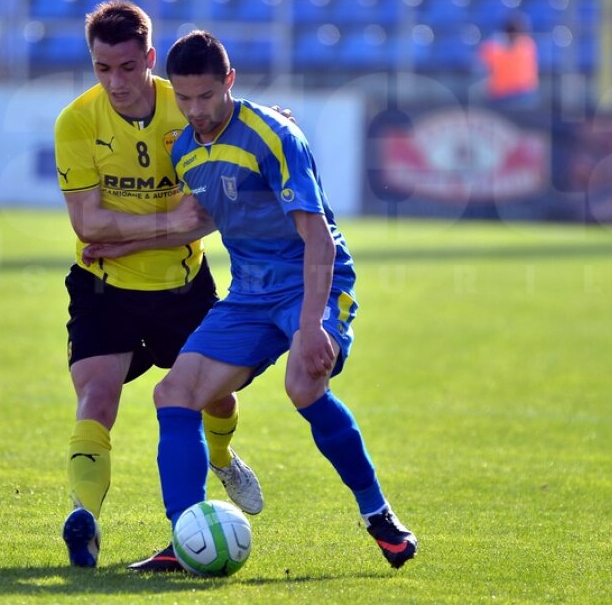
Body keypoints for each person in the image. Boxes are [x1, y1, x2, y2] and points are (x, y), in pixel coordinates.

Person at [92, 30, 417, 572]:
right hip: (249, 295)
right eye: (185, 98)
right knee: (173, 394)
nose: (195, 110)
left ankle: (378, 515)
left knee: (303, 384)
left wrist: (311, 326)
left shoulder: (274, 134)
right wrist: (123, 242)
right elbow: (200, 220)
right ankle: (184, 534)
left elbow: (316, 237)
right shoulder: (186, 149)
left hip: (313, 285)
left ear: (229, 83)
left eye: (206, 97)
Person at [53, 1, 263, 569]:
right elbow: (87, 224)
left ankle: (222, 455)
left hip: (180, 286)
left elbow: (205, 215)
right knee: (96, 399)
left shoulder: (189, 105)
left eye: (126, 67)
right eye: (102, 69)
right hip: (103, 285)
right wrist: (164, 225)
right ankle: (86, 519)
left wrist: (130, 234)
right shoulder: (77, 121)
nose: (115, 82)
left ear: (149, 58)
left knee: (216, 396)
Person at [479, 13, 539, 108]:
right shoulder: (492, 47)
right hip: (499, 95)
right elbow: (482, 64)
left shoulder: (527, 45)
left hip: (522, 94)